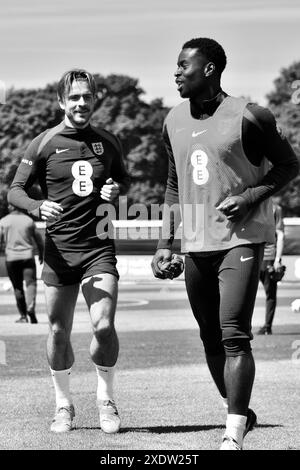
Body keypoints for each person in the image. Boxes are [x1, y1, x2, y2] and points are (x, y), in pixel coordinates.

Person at [151, 38, 299, 450]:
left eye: (184, 65)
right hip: (196, 244)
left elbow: (290, 164)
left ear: (210, 69)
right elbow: (173, 185)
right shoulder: (172, 120)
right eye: (176, 65)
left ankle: (232, 432)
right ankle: (243, 414)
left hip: (242, 239)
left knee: (234, 334)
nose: (176, 72)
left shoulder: (251, 116)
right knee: (209, 337)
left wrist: (250, 197)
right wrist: (166, 243)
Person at [8, 69, 130, 434]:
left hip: (98, 249)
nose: (81, 103)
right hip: (59, 251)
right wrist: (35, 206)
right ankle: (63, 406)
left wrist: (115, 189)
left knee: (103, 325)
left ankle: (105, 399)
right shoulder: (42, 143)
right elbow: (14, 190)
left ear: (95, 99)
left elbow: (123, 178)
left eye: (87, 96)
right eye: (74, 97)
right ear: (62, 101)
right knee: (59, 331)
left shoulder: (108, 141)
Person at [0, 205, 44, 323]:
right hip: (27, 257)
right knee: (31, 283)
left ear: (9, 207)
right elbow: (39, 239)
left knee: (17, 287)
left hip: (11, 258)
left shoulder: (3, 221)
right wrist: (41, 253)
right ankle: (30, 308)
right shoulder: (28, 220)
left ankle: (23, 316)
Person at [257, 199, 285, 335]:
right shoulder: (252, 204)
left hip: (267, 257)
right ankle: (265, 326)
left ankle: (267, 326)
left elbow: (280, 235)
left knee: (270, 294)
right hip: (255, 256)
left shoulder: (275, 208)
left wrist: (277, 259)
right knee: (269, 295)